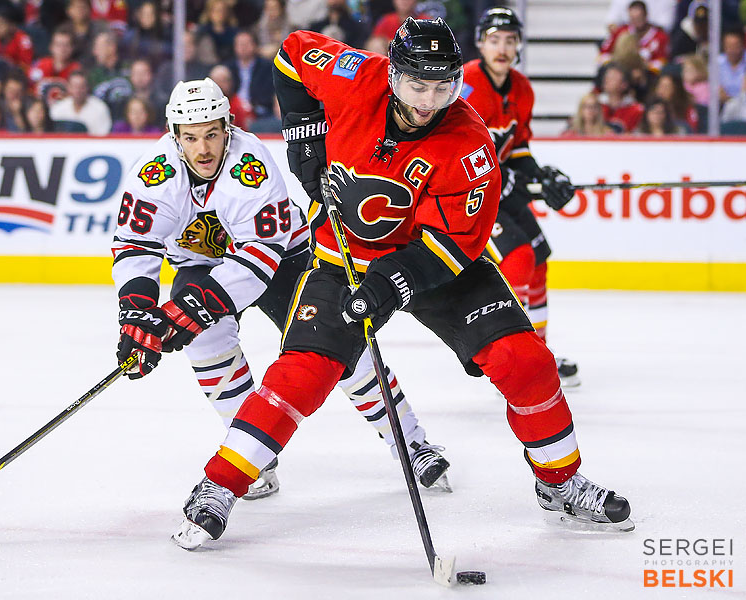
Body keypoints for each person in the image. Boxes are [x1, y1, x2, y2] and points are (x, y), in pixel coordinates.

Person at [171, 17, 634, 550]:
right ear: (393, 72)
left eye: (443, 86)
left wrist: (392, 284)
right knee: (302, 375)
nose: (428, 100)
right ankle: (219, 487)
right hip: (341, 258)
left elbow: (455, 244)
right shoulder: (354, 75)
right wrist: (304, 136)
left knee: (525, 361)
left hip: (435, 266)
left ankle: (561, 482)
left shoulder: (469, 143)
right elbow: (292, 53)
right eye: (417, 83)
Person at [112, 78, 452, 503]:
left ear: (228, 127)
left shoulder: (249, 163)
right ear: (174, 135)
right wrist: (135, 313)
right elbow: (135, 244)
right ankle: (252, 460)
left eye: (213, 134)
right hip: (199, 267)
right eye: (192, 137)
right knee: (206, 346)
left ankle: (410, 442)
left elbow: (257, 261)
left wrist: (189, 308)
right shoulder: (154, 173)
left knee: (342, 344)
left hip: (283, 261)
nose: (203, 149)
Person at [462, 7, 581, 388]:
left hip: (502, 185)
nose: (502, 47)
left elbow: (518, 147)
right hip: (469, 193)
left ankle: (538, 351)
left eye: (510, 40)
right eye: (494, 39)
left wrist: (542, 177)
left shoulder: (522, 89)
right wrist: (502, 177)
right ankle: (504, 355)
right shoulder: (467, 84)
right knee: (518, 259)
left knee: (539, 260)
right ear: (481, 43)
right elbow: (456, 147)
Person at [598, 1, 669, 72]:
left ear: (646, 15)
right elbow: (603, 55)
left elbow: (662, 61)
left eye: (639, 18)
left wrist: (644, 66)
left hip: (647, 75)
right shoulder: (621, 32)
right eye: (633, 19)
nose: (636, 22)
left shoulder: (660, 36)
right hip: (621, 72)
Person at [49, 70, 113, 134]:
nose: (78, 90)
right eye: (75, 86)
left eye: (81, 86)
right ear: (68, 87)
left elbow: (103, 136)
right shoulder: (58, 108)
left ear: (87, 87)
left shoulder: (100, 108)